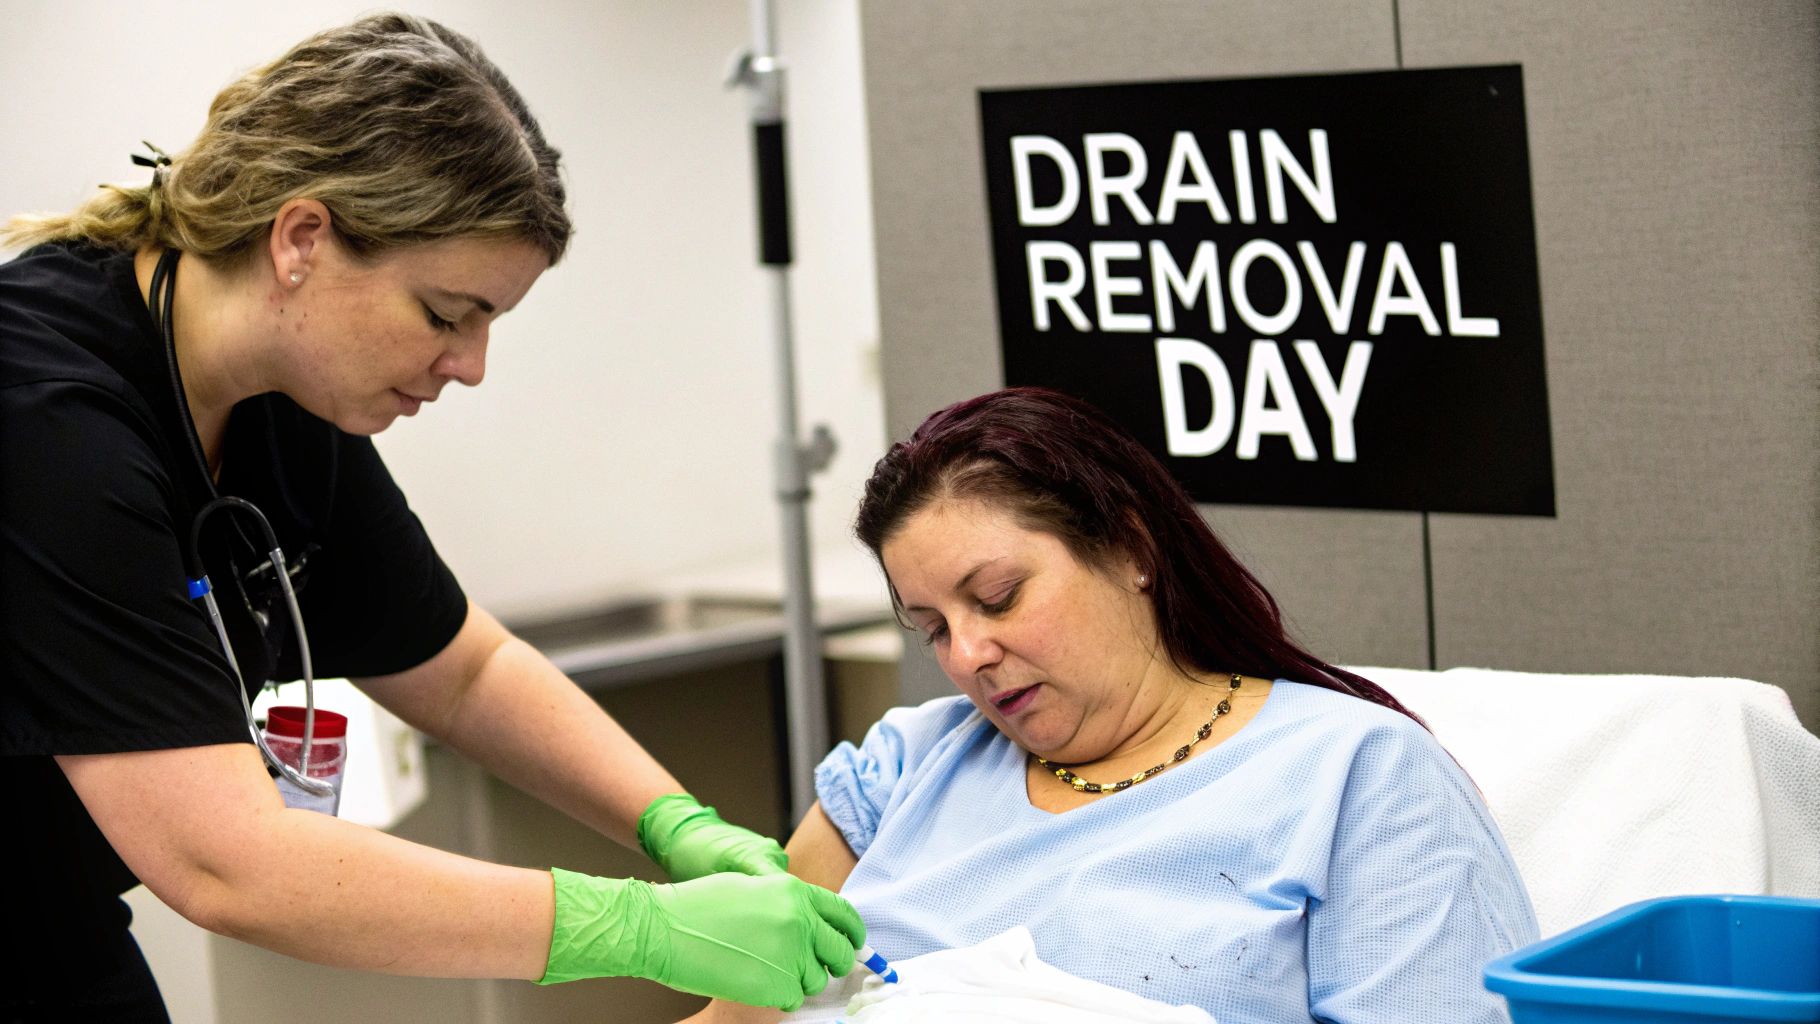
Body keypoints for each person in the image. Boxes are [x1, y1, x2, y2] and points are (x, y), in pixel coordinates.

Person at [0, 13, 862, 1020]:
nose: (470, 366)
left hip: (48, 921)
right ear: (302, 240)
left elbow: (459, 668)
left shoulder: (280, 398)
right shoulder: (41, 419)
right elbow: (227, 862)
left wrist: (670, 819)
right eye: (446, 315)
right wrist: (636, 928)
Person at [692, 387, 1538, 1023]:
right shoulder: (906, 767)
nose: (967, 654)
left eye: (997, 596)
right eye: (932, 629)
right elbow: (734, 1020)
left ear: (1131, 548)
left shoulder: (1359, 779)